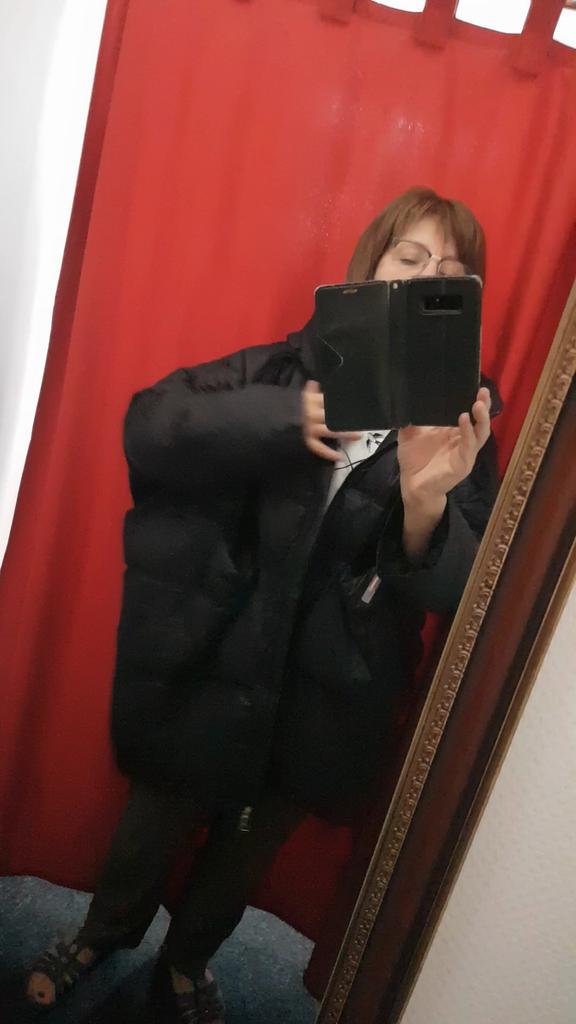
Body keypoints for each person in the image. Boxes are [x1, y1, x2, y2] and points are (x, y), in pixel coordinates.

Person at [26, 187, 502, 1022]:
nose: (424, 277)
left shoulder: (463, 416)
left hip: (329, 690)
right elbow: (153, 426)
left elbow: (460, 592)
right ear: (369, 269)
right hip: (224, 652)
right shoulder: (288, 368)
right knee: (156, 817)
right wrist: (281, 418)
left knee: (245, 850)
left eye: (449, 272)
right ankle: (102, 933)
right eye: (409, 257)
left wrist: (426, 499)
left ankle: (187, 963)